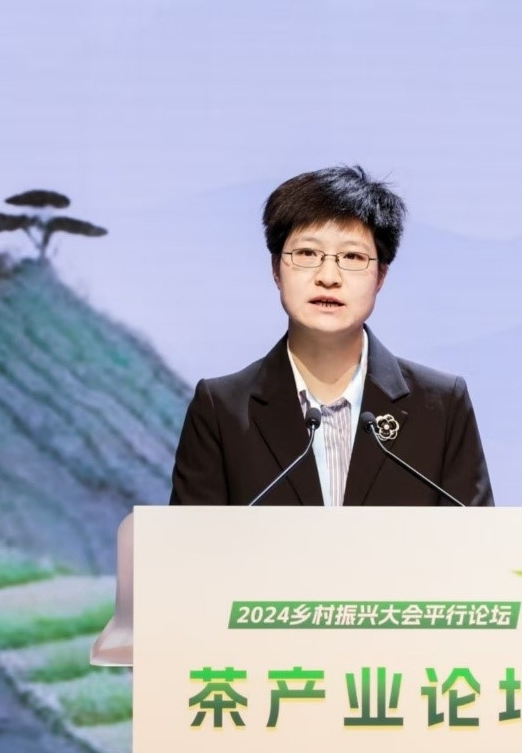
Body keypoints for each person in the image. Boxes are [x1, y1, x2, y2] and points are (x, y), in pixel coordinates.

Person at [169, 165, 494, 507]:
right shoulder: (221, 410)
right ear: (276, 269)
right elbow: (188, 540)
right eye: (307, 253)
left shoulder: (441, 406)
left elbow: (475, 537)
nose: (328, 277)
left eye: (352, 257)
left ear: (381, 276)